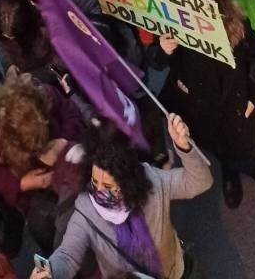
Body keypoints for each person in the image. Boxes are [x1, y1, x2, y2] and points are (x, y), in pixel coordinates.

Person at [29, 112, 211, 279]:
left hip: (177, 271)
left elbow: (200, 182)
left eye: (108, 186)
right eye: (94, 181)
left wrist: (185, 149)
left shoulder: (153, 182)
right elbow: (68, 254)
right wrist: (52, 271)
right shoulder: (86, 207)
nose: (98, 191)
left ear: (128, 182)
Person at [157, 0, 255, 211]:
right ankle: (230, 175)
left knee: (240, 147)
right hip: (201, 106)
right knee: (217, 144)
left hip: (234, 105)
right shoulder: (178, 31)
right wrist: (163, 49)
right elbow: (160, 61)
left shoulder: (240, 29)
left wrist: (252, 97)